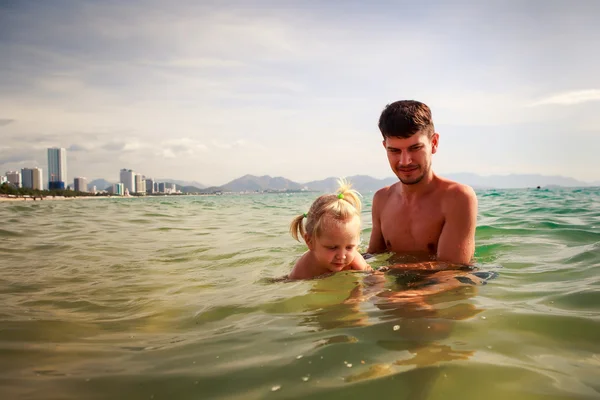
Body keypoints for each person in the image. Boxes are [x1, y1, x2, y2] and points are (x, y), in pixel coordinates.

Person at [367, 100, 478, 265]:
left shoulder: (457, 198)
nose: (405, 161)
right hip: (396, 286)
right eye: (394, 151)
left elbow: (452, 272)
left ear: (434, 143)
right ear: (385, 147)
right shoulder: (382, 199)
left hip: (444, 288)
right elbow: (372, 258)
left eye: (415, 148)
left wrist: (390, 291)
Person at [288, 179, 372, 280]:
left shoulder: (355, 260)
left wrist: (359, 294)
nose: (342, 256)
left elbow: (374, 279)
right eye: (332, 247)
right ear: (310, 241)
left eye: (349, 247)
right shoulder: (304, 268)